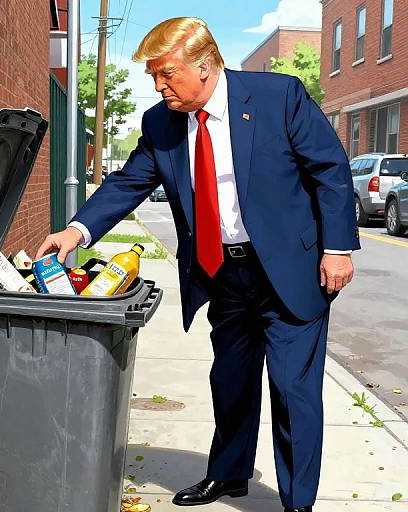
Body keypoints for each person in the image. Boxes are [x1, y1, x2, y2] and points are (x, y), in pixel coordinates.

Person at [36, 17, 360, 512]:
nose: (160, 86)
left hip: (290, 273)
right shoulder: (161, 122)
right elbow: (128, 183)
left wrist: (337, 248)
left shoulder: (279, 98)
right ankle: (229, 475)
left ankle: (298, 501)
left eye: (167, 74)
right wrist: (76, 231)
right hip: (224, 274)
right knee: (229, 381)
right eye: (152, 77)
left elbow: (330, 170)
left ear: (205, 66)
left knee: (293, 391)